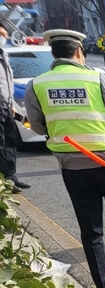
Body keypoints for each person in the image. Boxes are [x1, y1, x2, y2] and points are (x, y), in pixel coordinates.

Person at [24, 29, 105, 288]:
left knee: (91, 230)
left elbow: (39, 126)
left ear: (54, 54)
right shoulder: (98, 78)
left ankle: (103, 287)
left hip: (72, 167)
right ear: (78, 51)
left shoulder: (38, 83)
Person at [0, 26, 29, 191]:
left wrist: (10, 104)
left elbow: (6, 84)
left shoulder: (3, 54)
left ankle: (11, 175)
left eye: (4, 34)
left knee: (10, 140)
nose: (4, 37)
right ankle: (5, 179)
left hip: (5, 105)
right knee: (1, 143)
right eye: (1, 34)